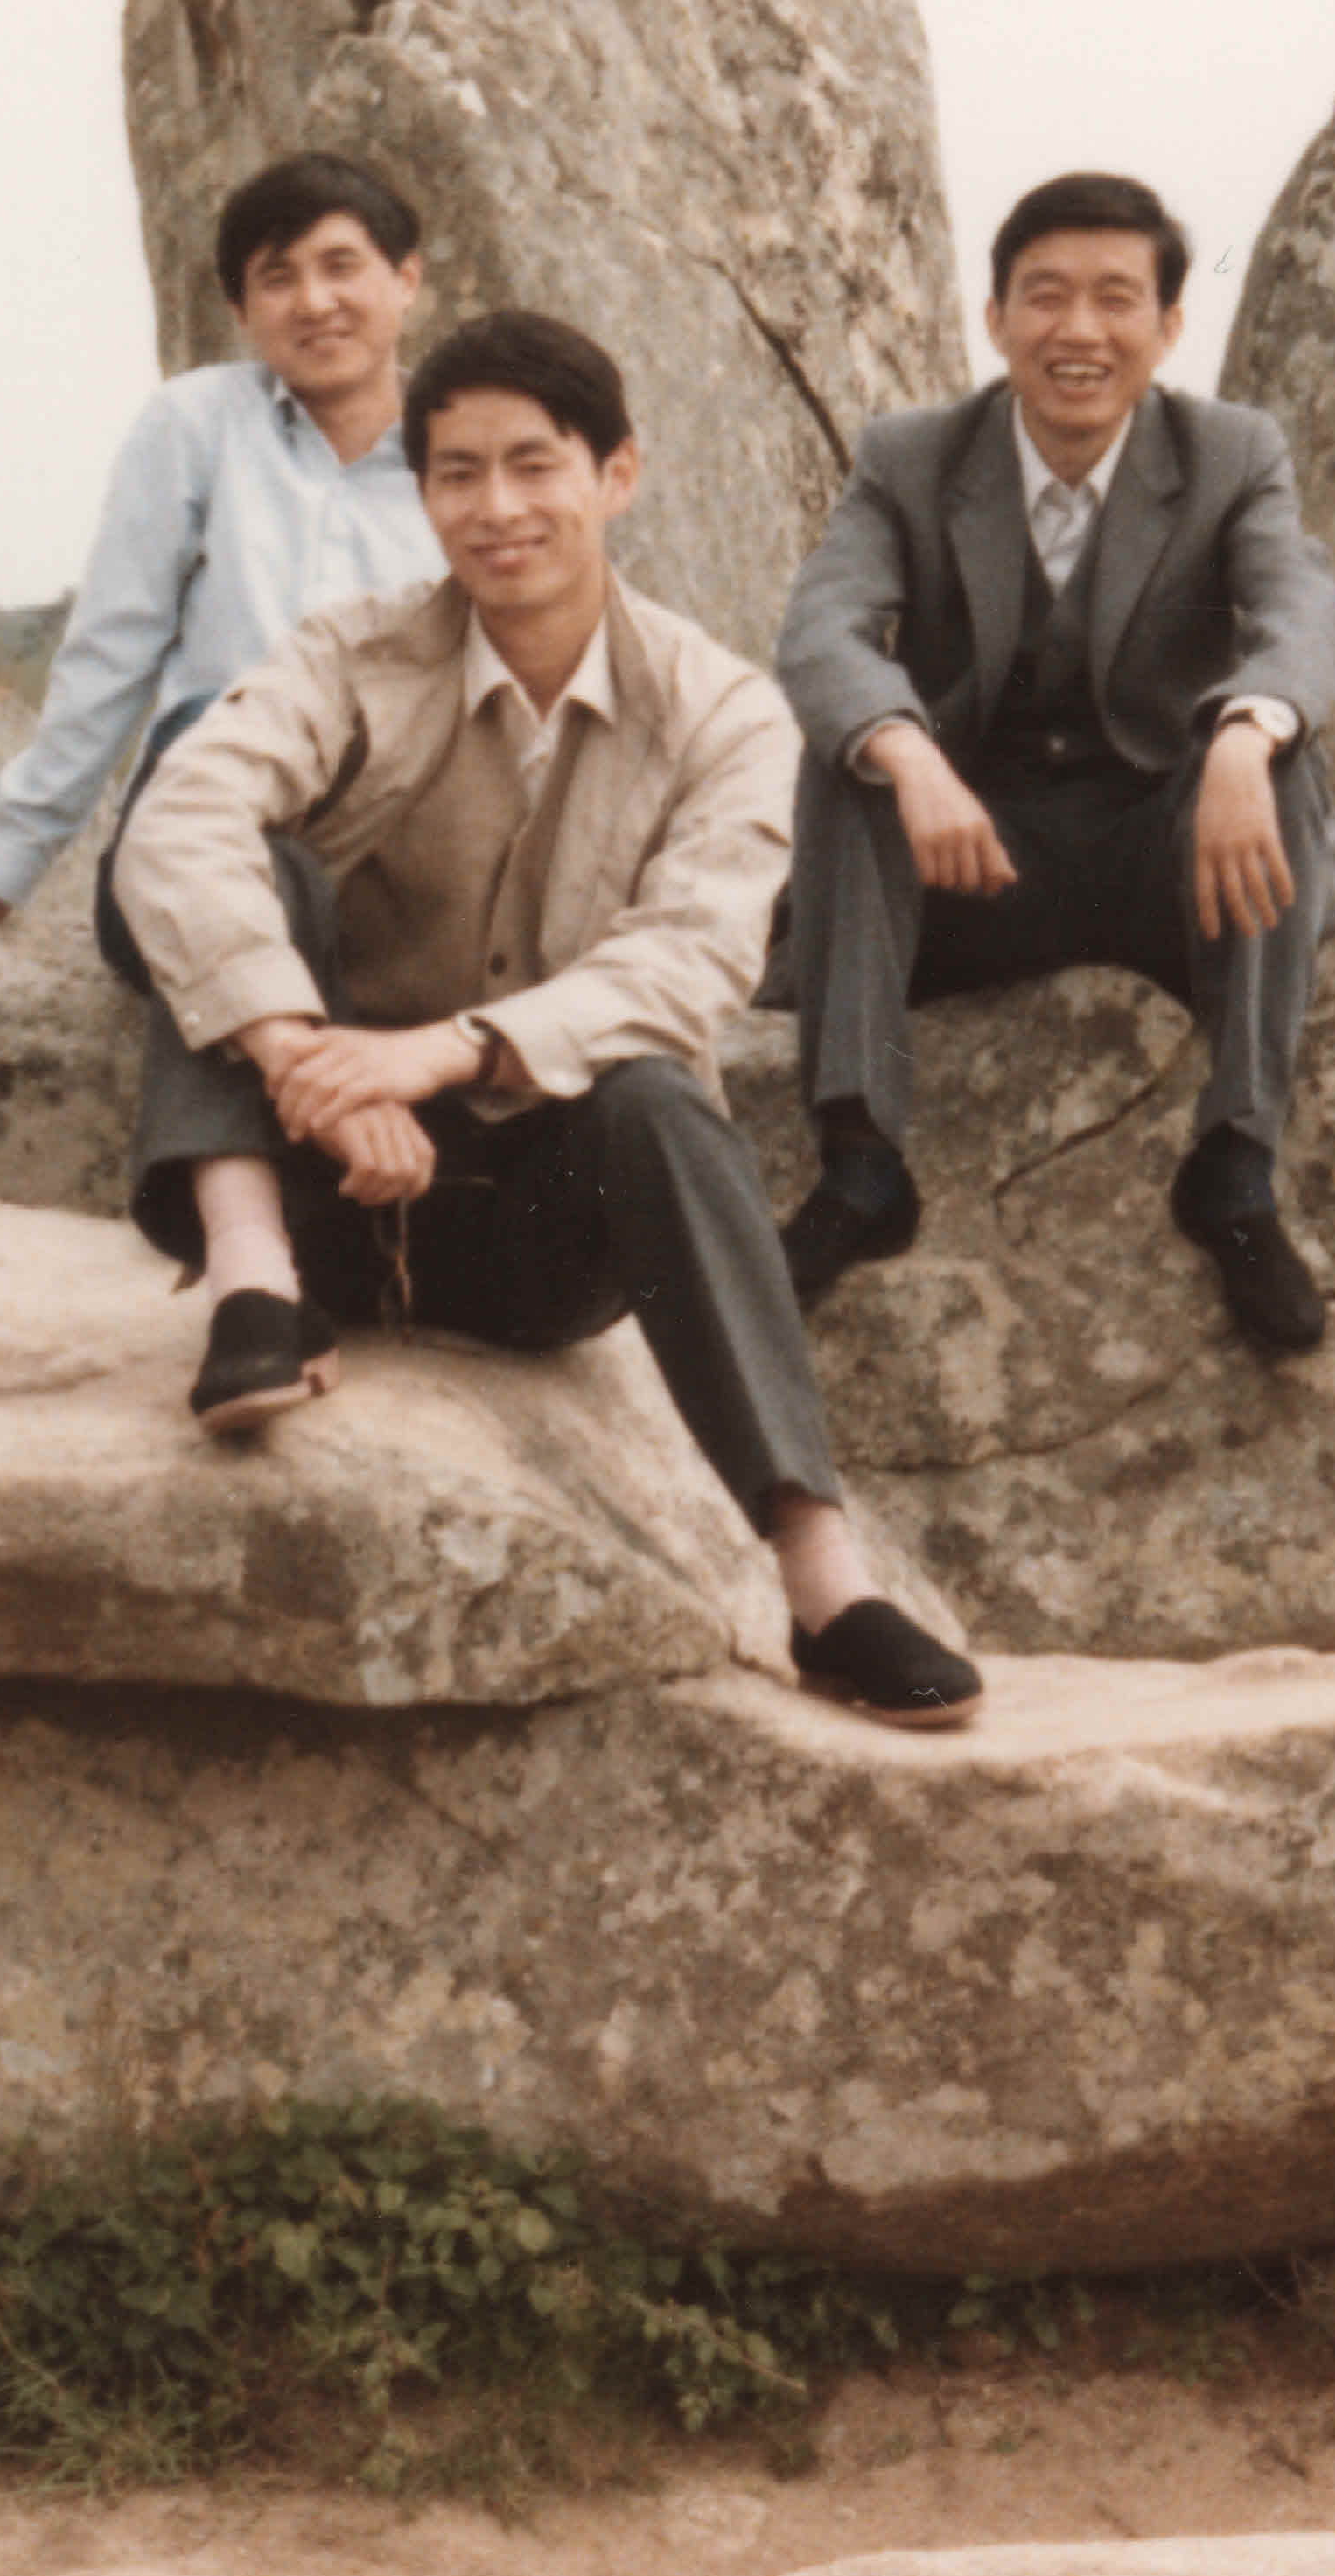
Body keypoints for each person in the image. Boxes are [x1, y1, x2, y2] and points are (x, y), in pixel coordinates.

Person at [111, 309, 987, 1730]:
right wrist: (300, 1055)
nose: (495, 506)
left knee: (655, 1090)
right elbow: (178, 820)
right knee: (241, 867)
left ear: (615, 473)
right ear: (419, 491)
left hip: (535, 1232)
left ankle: (823, 1582)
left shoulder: (721, 711)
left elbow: (690, 957)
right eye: (456, 472)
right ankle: (249, 1284)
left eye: (534, 464)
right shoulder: (352, 652)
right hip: (321, 1179)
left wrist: (441, 1053)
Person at [0, 153, 443, 1422]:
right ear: (240, 309)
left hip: (379, 863)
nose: (314, 300)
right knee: (222, 791)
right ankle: (250, 1274)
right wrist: (0, 871)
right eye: (277, 277)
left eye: (343, 265)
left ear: (407, 279)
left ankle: (267, 1282)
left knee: (284, 877)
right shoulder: (198, 426)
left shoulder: (460, 450)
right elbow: (112, 651)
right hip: (192, 843)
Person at [769, 169, 1335, 1351]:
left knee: (1277, 760)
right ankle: (861, 1162)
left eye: (1113, 298)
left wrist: (1246, 733)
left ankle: (1235, 1165)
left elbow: (1300, 612)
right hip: (980, 861)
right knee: (852, 753)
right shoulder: (910, 456)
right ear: (995, 319)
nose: (1077, 329)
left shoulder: (1230, 452)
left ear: (1166, 325)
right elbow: (821, 628)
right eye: (1044, 296)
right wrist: (908, 755)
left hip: (1162, 860)